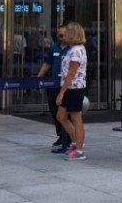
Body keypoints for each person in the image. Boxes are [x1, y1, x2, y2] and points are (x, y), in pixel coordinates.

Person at [55, 21, 88, 161]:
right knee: (61, 116)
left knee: (76, 118)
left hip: (73, 88)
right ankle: (76, 142)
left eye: (67, 33)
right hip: (71, 87)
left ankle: (79, 149)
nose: (64, 35)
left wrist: (61, 92)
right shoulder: (75, 49)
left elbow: (71, 73)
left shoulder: (75, 51)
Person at [36, 25, 70, 151]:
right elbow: (47, 64)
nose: (62, 38)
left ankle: (70, 136)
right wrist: (39, 77)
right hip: (55, 84)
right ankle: (61, 135)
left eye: (64, 35)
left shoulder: (72, 48)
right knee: (54, 108)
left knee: (67, 111)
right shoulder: (53, 48)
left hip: (68, 85)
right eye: (60, 35)